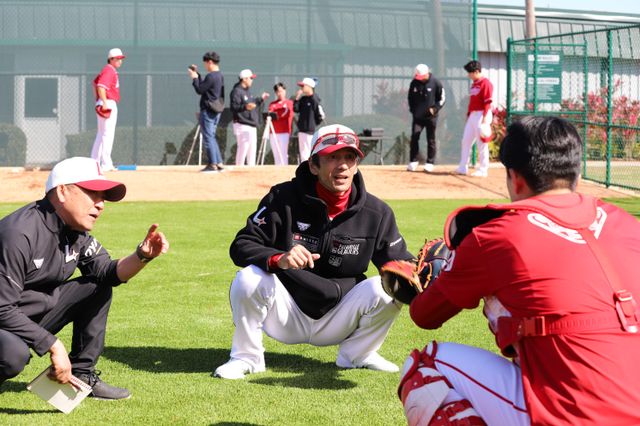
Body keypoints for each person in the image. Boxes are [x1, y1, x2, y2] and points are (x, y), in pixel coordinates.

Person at [401, 116, 640, 425]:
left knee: (426, 365)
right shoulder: (626, 223)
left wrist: (449, 271)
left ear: (515, 179)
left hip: (576, 415)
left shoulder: (496, 235)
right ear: (576, 174)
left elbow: (424, 315)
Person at [214, 124, 413, 380]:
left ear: (356, 165)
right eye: (333, 157)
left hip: (340, 317)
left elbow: (400, 263)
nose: (342, 166)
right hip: (286, 314)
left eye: (349, 157)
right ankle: (246, 357)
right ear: (313, 166)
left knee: (387, 287)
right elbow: (242, 245)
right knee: (249, 278)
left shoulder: (377, 212)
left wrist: (424, 271)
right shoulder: (282, 198)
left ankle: (358, 354)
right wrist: (279, 259)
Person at [0, 157, 169, 400]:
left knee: (96, 286)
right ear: (62, 192)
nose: (100, 204)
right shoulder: (18, 233)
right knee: (12, 354)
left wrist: (142, 256)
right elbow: (2, 308)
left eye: (103, 197)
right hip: (4, 316)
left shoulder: (75, 231)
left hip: (24, 315)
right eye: (92, 193)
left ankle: (82, 375)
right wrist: (53, 345)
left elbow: (107, 272)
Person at [188, 51, 225, 173]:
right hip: (216, 109)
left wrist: (194, 78)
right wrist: (197, 75)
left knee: (208, 137)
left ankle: (212, 164)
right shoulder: (219, 75)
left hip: (208, 110)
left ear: (210, 62)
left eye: (205, 63)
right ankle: (218, 163)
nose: (205, 66)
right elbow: (205, 87)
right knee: (211, 136)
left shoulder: (211, 76)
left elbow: (200, 89)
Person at [455, 60, 493, 177]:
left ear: (476, 71)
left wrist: (485, 118)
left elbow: (487, 102)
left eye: (470, 73)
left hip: (482, 114)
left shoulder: (486, 83)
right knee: (465, 141)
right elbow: (472, 102)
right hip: (473, 115)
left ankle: (483, 169)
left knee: (482, 143)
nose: (468, 75)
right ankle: (463, 167)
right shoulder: (474, 84)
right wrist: (469, 115)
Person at [91, 48, 125, 172]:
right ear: (111, 59)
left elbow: (94, 83)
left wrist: (98, 100)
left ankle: (94, 163)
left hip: (104, 101)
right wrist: (104, 102)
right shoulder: (109, 70)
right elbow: (100, 86)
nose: (120, 61)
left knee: (101, 134)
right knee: (107, 134)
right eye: (118, 58)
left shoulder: (106, 69)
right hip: (108, 102)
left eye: (121, 59)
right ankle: (106, 164)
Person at [407, 64, 445, 173]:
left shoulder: (436, 83)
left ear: (426, 74)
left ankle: (430, 162)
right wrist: (414, 111)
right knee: (414, 137)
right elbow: (410, 98)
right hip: (418, 117)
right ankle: (413, 161)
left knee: (431, 139)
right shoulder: (414, 83)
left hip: (431, 117)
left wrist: (435, 109)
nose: (419, 79)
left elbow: (442, 98)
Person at [230, 69, 270, 166]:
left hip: (251, 124)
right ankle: (238, 169)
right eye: (251, 78)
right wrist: (245, 107)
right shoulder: (236, 91)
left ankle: (251, 171)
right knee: (243, 149)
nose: (252, 80)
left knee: (252, 151)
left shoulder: (247, 91)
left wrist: (261, 99)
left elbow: (252, 104)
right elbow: (233, 107)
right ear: (244, 79)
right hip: (242, 124)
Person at [293, 77, 325, 162]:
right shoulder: (303, 99)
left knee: (309, 150)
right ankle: (304, 166)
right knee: (303, 151)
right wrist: (297, 98)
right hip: (301, 129)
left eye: (303, 86)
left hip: (310, 130)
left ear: (309, 87)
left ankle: (310, 166)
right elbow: (296, 109)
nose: (301, 88)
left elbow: (320, 115)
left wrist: (312, 124)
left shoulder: (314, 99)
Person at [267, 82, 294, 165]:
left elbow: (287, 114)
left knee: (283, 153)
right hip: (273, 132)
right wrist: (278, 114)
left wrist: (277, 115)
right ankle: (277, 170)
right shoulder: (272, 104)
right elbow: (271, 115)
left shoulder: (289, 103)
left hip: (284, 132)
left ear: (285, 91)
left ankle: (284, 170)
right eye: (278, 91)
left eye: (281, 91)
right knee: (276, 154)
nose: (280, 93)